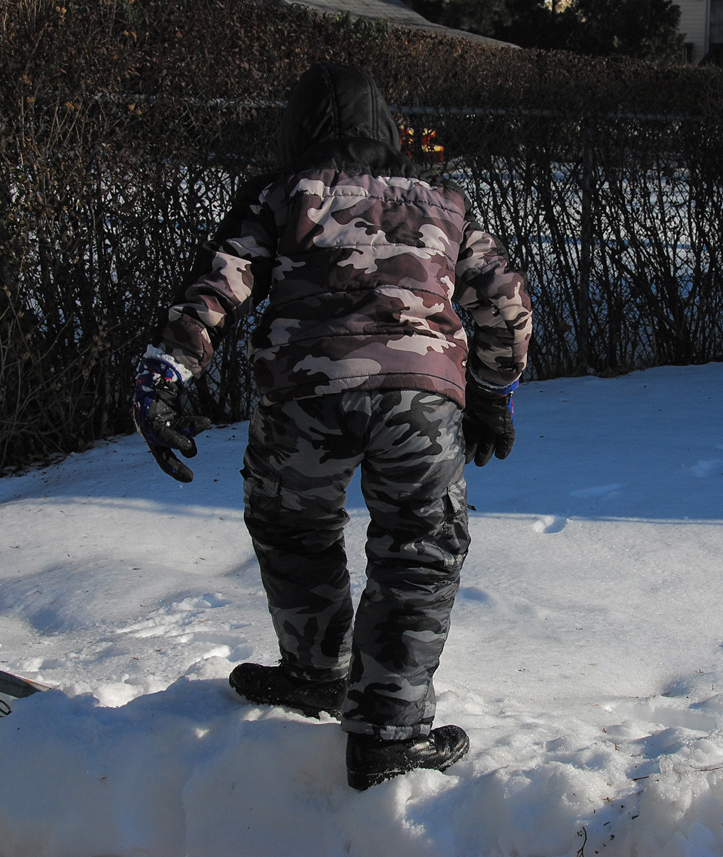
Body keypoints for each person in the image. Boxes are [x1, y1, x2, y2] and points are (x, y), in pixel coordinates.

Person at [131, 62, 532, 790]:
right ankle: (390, 727)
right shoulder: (445, 204)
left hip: (303, 390)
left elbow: (219, 283)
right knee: (420, 544)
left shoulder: (282, 194)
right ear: (387, 127)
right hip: (421, 395)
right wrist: (491, 393)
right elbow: (505, 303)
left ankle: (317, 669)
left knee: (292, 521)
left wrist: (167, 370)